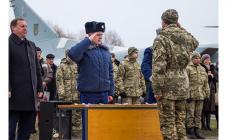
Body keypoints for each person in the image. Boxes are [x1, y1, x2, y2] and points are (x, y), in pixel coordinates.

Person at [152, 9, 199, 140]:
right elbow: (195, 42)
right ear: (177, 22)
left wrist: (157, 89)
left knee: (168, 123)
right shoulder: (185, 37)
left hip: (167, 86)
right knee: (180, 122)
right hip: (183, 84)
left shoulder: (161, 38)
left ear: (163, 22)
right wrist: (181, 28)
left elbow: (159, 67)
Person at [68, 21, 114, 140]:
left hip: (104, 94)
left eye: (101, 35)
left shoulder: (105, 51)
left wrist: (110, 92)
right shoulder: (84, 50)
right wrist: (88, 40)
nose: (100, 37)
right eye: (98, 35)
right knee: (89, 126)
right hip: (89, 95)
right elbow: (72, 54)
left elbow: (110, 73)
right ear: (90, 35)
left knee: (103, 126)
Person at [9, 17, 43, 140]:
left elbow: (37, 70)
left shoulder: (31, 45)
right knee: (9, 131)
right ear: (13, 28)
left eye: (26, 26)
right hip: (12, 98)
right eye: (22, 26)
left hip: (30, 98)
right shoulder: (7, 44)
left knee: (26, 130)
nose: (26, 29)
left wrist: (40, 88)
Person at [56, 50, 82, 138]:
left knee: (77, 115)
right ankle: (65, 133)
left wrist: (80, 92)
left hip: (76, 95)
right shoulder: (61, 66)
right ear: (67, 55)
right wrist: (62, 94)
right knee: (66, 115)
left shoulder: (76, 65)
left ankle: (76, 134)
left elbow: (80, 79)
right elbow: (59, 81)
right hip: (66, 96)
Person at [186, 52, 210, 139]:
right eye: (195, 58)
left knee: (198, 114)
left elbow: (205, 83)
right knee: (190, 114)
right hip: (191, 96)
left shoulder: (202, 69)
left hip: (200, 95)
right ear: (192, 59)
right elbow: (185, 83)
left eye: (199, 58)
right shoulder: (188, 68)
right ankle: (191, 132)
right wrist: (187, 95)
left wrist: (207, 94)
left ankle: (197, 131)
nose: (198, 60)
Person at [141, 28, 161, 104]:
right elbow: (145, 65)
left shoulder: (173, 49)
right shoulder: (151, 50)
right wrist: (151, 77)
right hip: (156, 85)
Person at [200, 54, 217, 130]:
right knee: (204, 108)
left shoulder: (212, 67)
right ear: (203, 60)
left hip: (212, 90)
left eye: (208, 59)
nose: (207, 61)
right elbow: (202, 79)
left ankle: (208, 125)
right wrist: (208, 76)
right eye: (206, 59)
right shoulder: (201, 67)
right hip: (204, 89)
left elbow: (216, 79)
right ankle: (203, 125)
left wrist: (212, 76)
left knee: (210, 109)